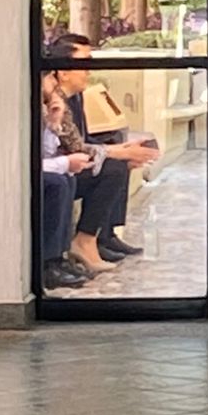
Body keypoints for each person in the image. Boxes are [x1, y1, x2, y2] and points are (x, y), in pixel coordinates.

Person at [50, 35, 160, 273]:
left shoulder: (75, 96)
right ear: (63, 71)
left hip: (72, 162)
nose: (89, 70)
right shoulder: (55, 99)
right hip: (60, 166)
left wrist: (122, 150)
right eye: (84, 62)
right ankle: (85, 241)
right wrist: (118, 153)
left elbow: (81, 140)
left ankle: (105, 235)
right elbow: (74, 147)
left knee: (119, 158)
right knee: (114, 166)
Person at [40, 75, 93, 290]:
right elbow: (31, 161)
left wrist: (54, 122)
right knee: (57, 183)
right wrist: (65, 163)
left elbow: (46, 152)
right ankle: (47, 263)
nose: (54, 84)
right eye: (49, 78)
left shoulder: (47, 106)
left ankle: (59, 256)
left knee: (66, 180)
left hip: (47, 167)